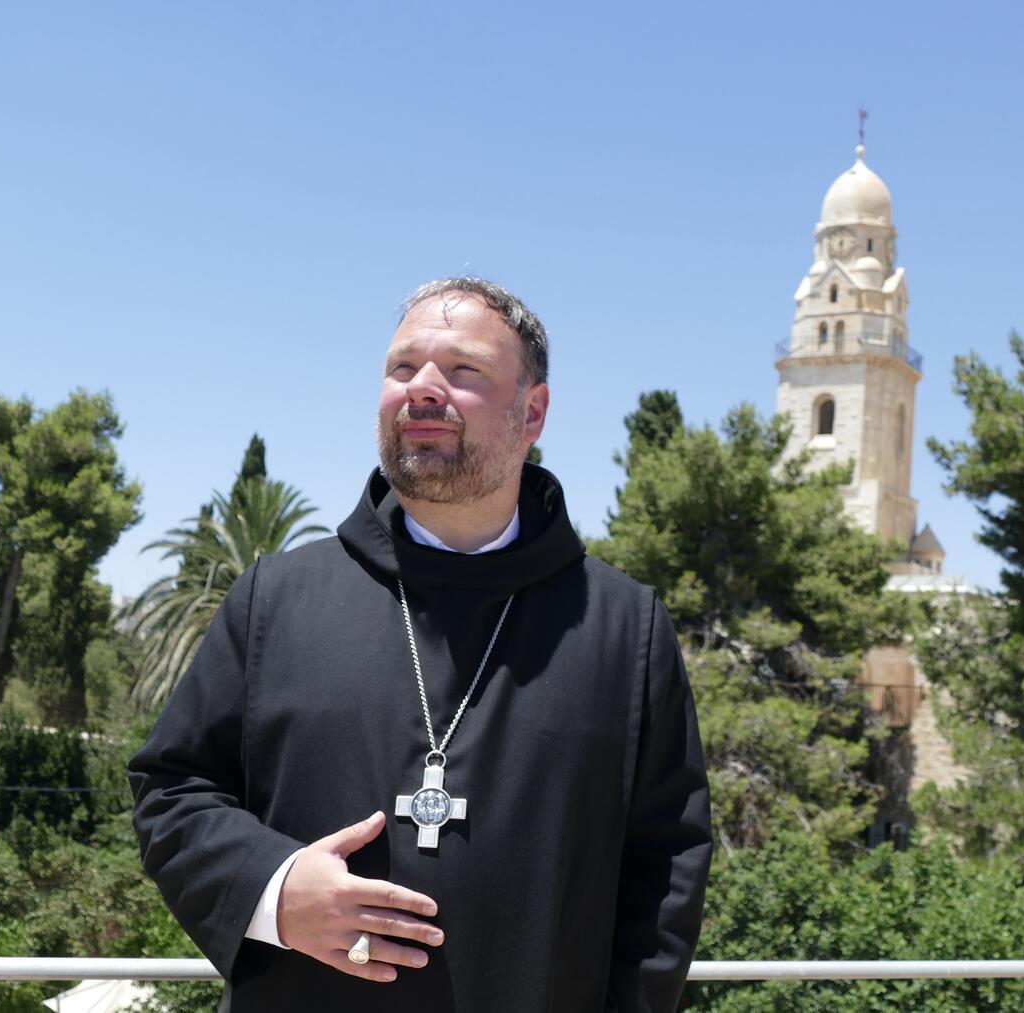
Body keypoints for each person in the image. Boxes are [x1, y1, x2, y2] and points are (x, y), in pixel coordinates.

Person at [129, 278, 713, 1012]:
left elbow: (667, 872)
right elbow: (171, 788)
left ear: (532, 413)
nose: (424, 390)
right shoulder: (274, 599)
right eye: (403, 368)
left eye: (463, 371)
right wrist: (273, 889)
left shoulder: (625, 630)